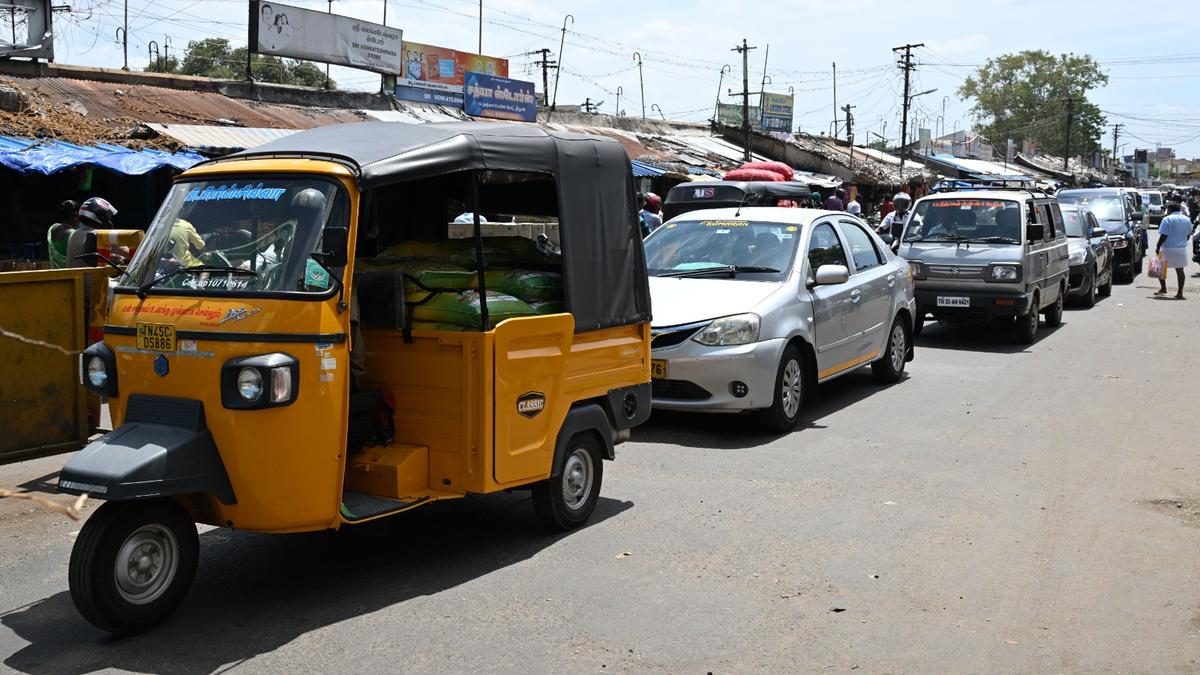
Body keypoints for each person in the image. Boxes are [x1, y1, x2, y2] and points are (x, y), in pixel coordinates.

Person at [65, 197, 119, 267]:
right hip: (93, 278)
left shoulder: (75, 233)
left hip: (78, 276)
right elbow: (123, 251)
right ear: (100, 216)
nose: (110, 221)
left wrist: (112, 256)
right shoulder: (98, 235)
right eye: (108, 217)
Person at [1154, 201, 1191, 299]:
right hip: (1181, 249)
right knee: (1180, 271)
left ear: (1169, 209)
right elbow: (1188, 235)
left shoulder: (1167, 219)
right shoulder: (1187, 219)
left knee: (1159, 268)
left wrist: (1157, 247)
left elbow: (1163, 235)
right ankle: (1180, 293)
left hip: (1167, 248)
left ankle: (1163, 288)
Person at [47, 199, 79, 268]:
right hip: (69, 277)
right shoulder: (73, 234)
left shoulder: (52, 228)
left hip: (55, 276)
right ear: (75, 216)